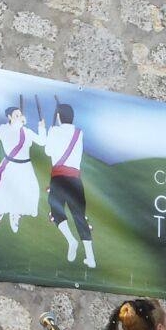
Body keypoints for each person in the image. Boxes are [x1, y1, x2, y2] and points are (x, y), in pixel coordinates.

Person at [40, 102, 95, 269]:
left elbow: (48, 151)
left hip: (58, 178)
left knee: (56, 211)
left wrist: (43, 129)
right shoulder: (79, 133)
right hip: (75, 180)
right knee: (79, 217)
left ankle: (71, 240)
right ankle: (90, 258)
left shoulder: (54, 131)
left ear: (58, 117)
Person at [0, 105, 44, 248]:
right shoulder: (4, 129)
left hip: (26, 169)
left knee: (27, 195)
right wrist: (19, 124)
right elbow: (10, 139)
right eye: (16, 115)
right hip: (10, 168)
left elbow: (42, 142)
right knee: (1, 200)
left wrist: (41, 128)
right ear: (9, 117)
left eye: (20, 115)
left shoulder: (26, 131)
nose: (19, 117)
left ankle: (15, 215)